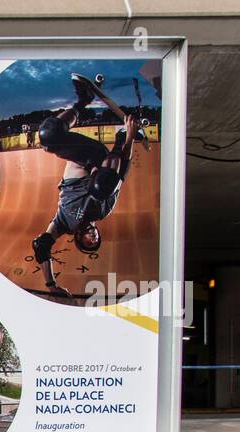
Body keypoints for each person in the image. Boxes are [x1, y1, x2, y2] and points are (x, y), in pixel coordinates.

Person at [30, 74, 144, 298]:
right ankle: (122, 135)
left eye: (87, 242)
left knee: (48, 135)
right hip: (101, 162)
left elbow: (41, 246)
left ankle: (84, 99)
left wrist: (51, 285)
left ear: (78, 238)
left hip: (83, 157)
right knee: (103, 189)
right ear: (98, 234)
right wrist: (130, 138)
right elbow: (123, 170)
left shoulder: (63, 224)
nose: (91, 237)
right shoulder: (103, 211)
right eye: (96, 240)